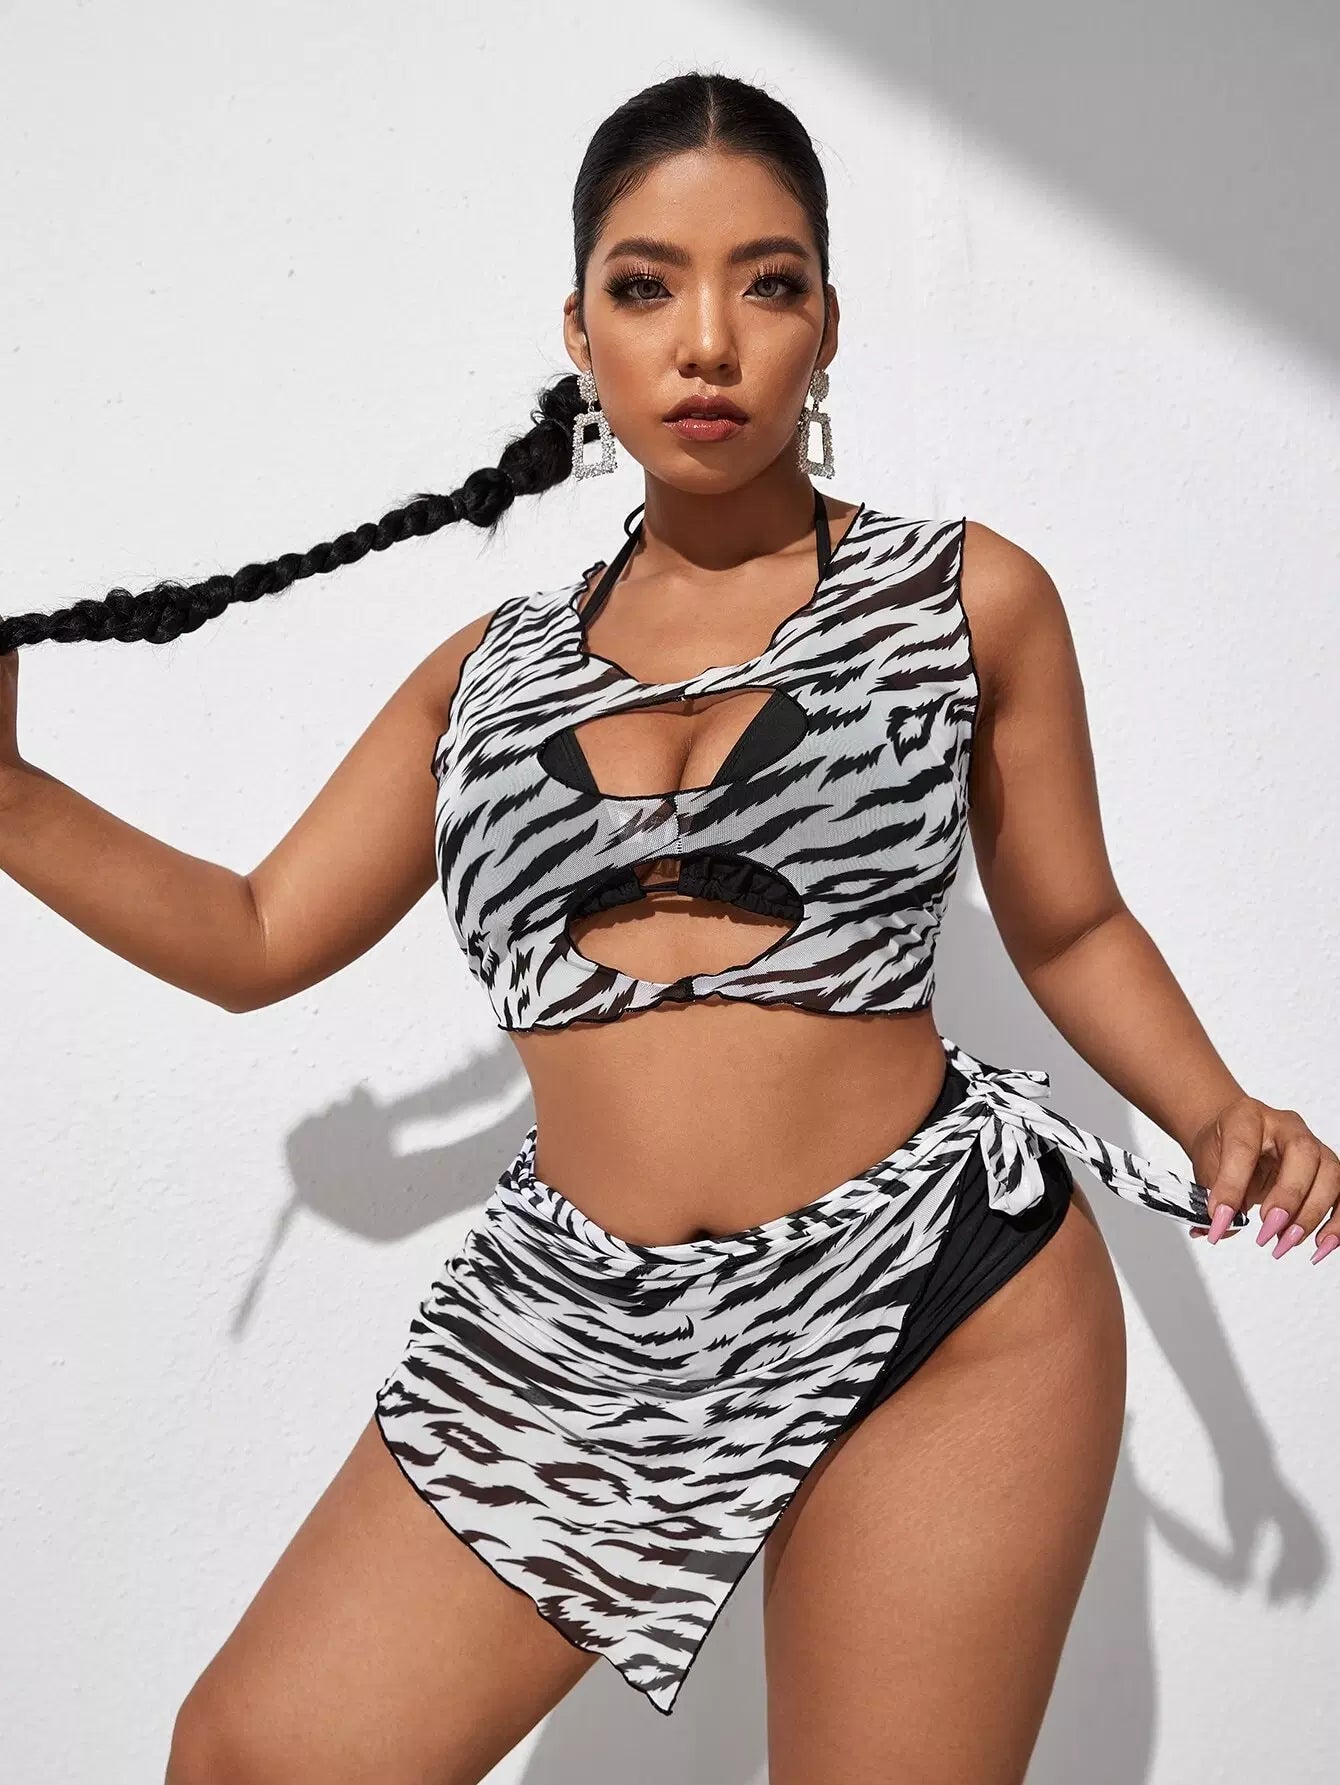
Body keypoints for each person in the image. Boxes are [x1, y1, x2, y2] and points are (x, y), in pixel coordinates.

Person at [2, 67, 1335, 1785]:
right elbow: (256, 930)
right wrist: (12, 799)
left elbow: (1069, 925)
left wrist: (1216, 1111)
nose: (708, 342)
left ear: (828, 323)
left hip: (938, 1295)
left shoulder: (963, 597)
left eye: (766, 284)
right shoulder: (482, 679)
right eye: (648, 286)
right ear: (579, 330)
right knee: (253, 1756)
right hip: (581, 1320)